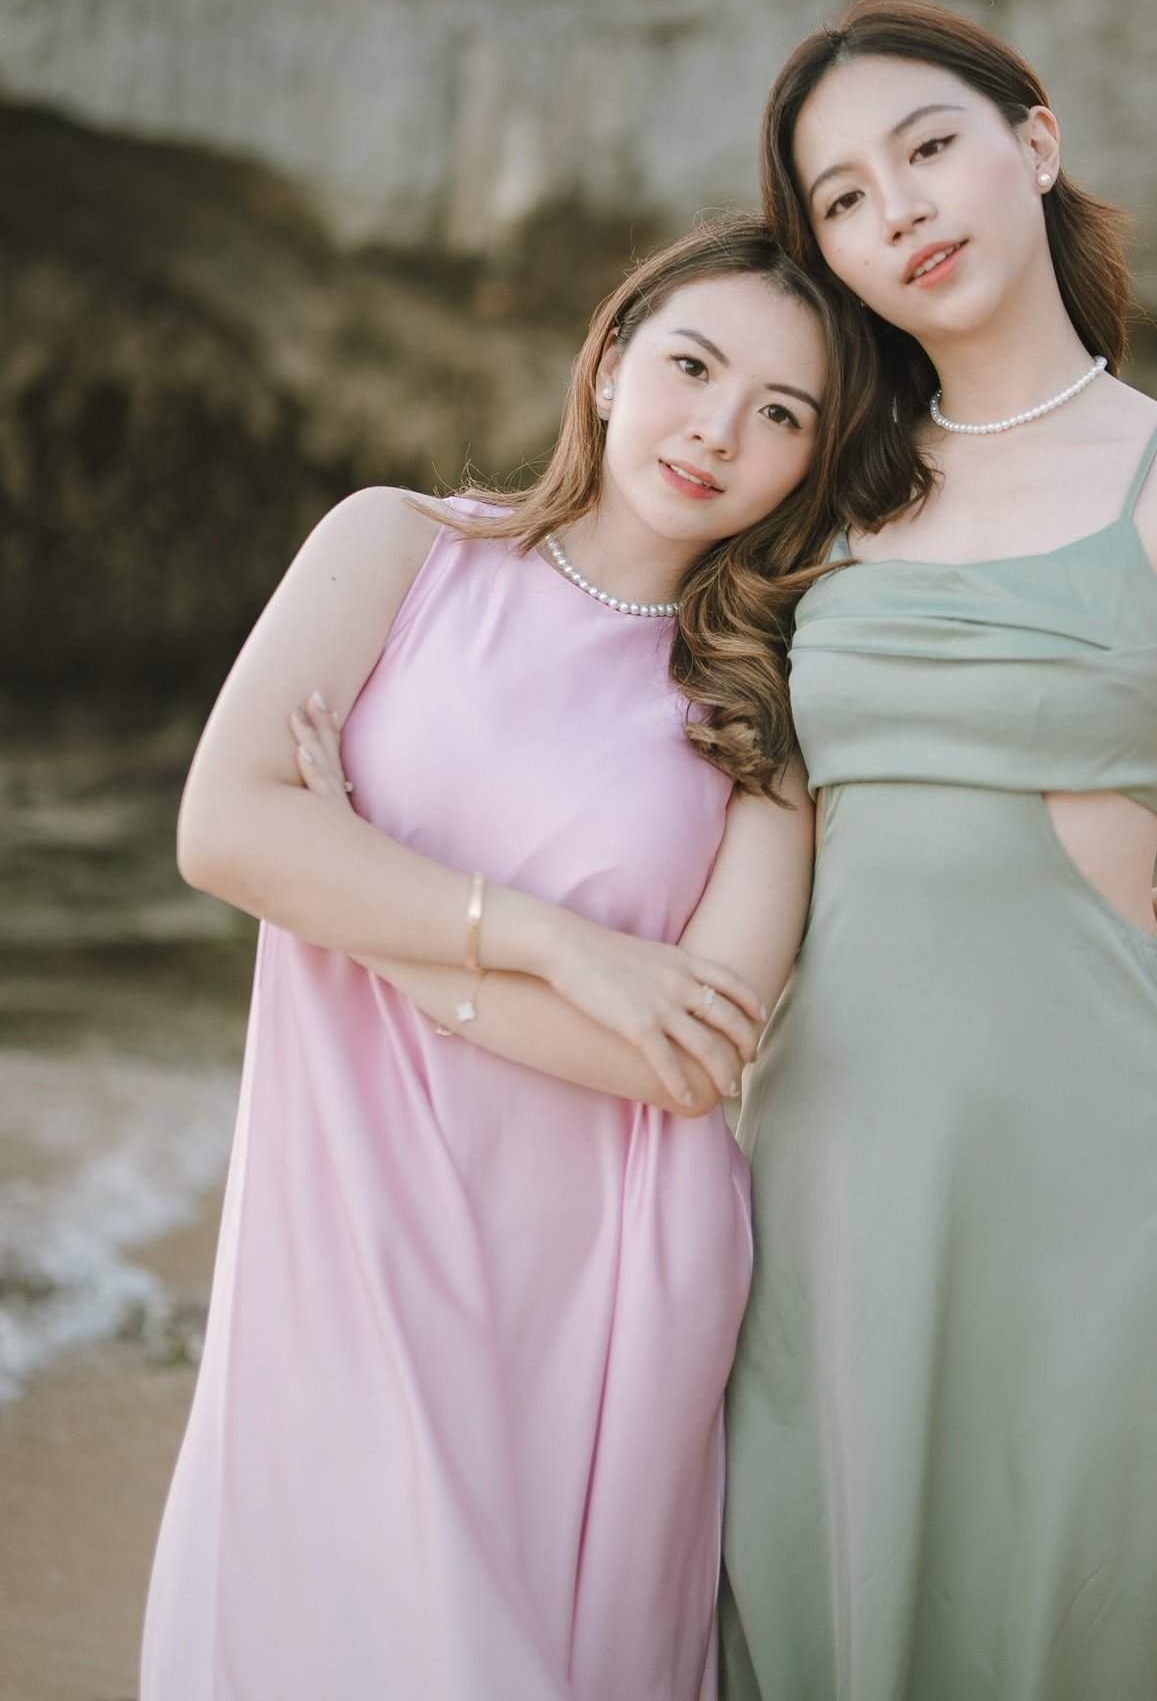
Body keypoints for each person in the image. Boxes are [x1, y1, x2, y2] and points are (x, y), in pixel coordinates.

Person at [139, 216, 878, 1701]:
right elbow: (223, 832)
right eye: (691, 364)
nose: (718, 429)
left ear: (812, 460)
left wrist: (362, 902)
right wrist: (561, 947)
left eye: (782, 413)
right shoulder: (395, 546)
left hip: (602, 1269)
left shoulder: (768, 708)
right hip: (344, 1203)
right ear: (607, 366)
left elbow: (693, 1055)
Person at [719, 0, 1157, 1701]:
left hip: (1081, 1132)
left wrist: (1074, 942)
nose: (898, 209)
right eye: (841, 197)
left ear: (1037, 143)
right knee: (809, 1559)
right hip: (824, 1123)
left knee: (1052, 1572)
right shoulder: (818, 498)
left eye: (928, 147)